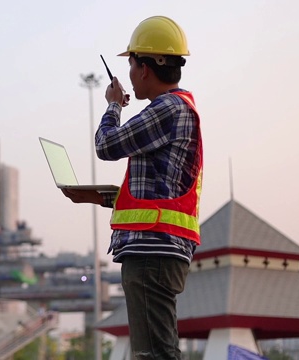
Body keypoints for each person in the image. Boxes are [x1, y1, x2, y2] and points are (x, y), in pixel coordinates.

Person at [62, 16, 202, 360]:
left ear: (143, 68)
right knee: (155, 352)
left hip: (153, 251)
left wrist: (113, 104)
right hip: (159, 248)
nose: (128, 75)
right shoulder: (176, 109)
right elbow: (157, 190)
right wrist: (101, 197)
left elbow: (106, 145)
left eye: (131, 64)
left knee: (154, 354)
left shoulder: (167, 109)